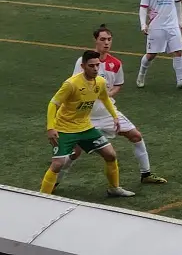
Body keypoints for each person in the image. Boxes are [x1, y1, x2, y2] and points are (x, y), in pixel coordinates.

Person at [55, 24, 167, 187]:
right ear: (95, 40)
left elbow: (118, 85)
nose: (106, 43)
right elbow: (75, 84)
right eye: (102, 39)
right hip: (86, 116)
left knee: (136, 136)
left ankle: (146, 174)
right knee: (75, 152)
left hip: (108, 112)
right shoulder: (83, 61)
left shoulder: (115, 63)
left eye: (109, 39)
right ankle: (56, 181)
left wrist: (108, 94)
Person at [40, 50, 135, 197]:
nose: (96, 69)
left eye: (97, 65)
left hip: (85, 127)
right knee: (58, 163)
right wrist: (50, 127)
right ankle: (42, 197)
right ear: (83, 66)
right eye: (92, 66)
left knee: (110, 155)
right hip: (65, 128)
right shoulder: (71, 84)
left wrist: (115, 116)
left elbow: (105, 99)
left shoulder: (100, 82)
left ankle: (114, 188)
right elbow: (53, 104)